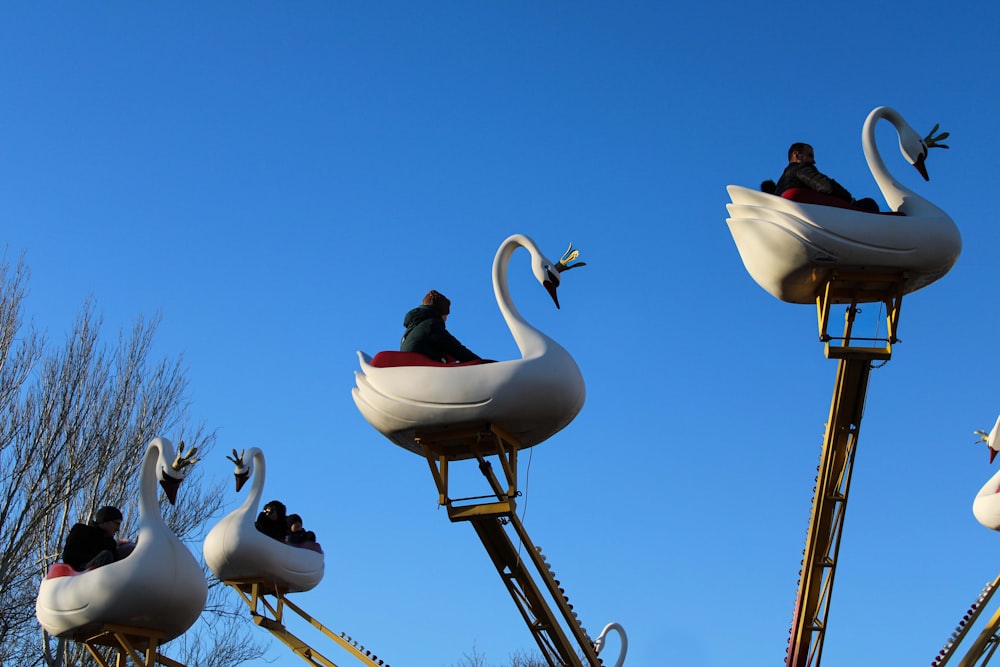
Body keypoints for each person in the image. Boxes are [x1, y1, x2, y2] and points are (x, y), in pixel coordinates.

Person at [769, 142, 879, 212]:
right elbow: (826, 186)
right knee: (869, 203)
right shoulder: (800, 169)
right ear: (797, 155)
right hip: (816, 216)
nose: (813, 161)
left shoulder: (781, 185)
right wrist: (849, 199)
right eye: (810, 156)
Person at [400, 290, 482, 363]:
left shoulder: (410, 331)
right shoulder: (431, 326)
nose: (446, 320)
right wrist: (484, 364)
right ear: (441, 314)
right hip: (426, 372)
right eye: (446, 315)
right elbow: (457, 349)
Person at [61, 505, 125, 571]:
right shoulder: (82, 531)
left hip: (102, 572)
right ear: (105, 521)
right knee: (106, 556)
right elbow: (68, 556)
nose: (118, 529)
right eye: (117, 523)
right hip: (79, 573)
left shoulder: (111, 543)